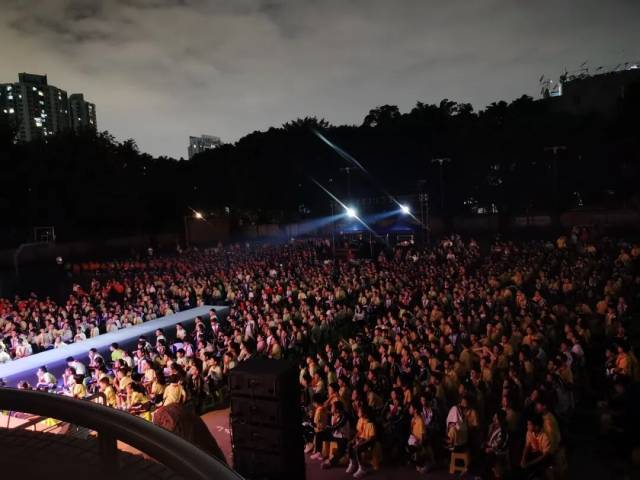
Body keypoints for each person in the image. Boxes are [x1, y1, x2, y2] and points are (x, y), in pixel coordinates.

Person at [346, 406, 377, 479]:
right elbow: (359, 432)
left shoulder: (370, 424)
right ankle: (352, 463)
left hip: (368, 441)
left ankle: (362, 468)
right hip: (361, 439)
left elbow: (371, 438)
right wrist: (354, 439)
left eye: (359, 411)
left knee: (357, 448)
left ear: (365, 414)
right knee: (349, 444)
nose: (358, 412)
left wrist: (361, 443)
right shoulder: (360, 420)